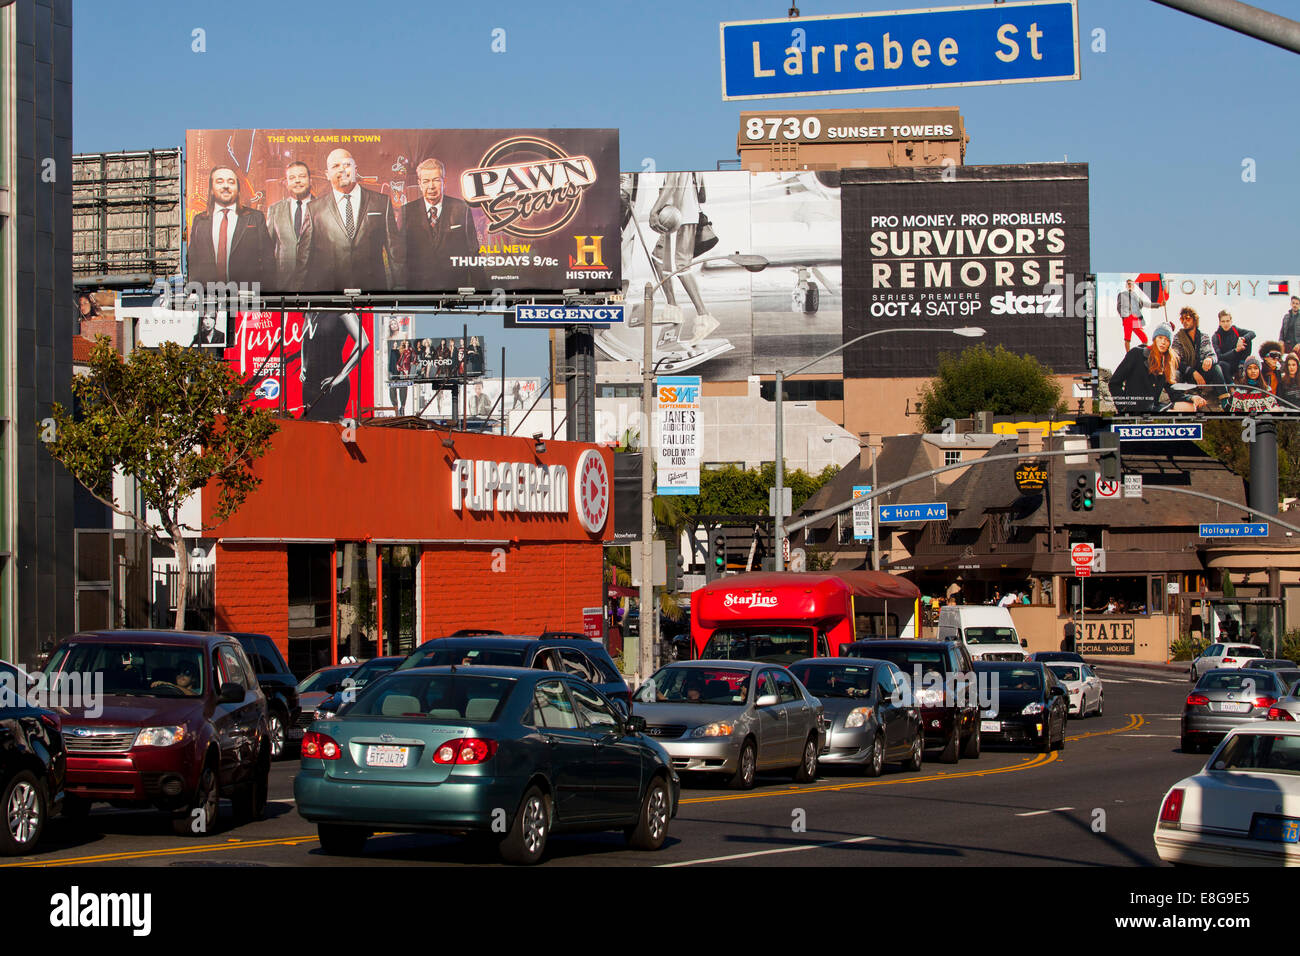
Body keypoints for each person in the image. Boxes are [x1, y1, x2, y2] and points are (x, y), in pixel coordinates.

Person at [294, 148, 404, 292]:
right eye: (335, 166)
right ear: (327, 174)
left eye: (346, 164)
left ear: (355, 169)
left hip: (373, 297)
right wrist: (299, 301)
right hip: (330, 300)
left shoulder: (381, 203)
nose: (341, 170)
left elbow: (395, 254)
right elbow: (304, 261)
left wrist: (401, 293)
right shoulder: (314, 209)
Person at [649, 171, 719, 347]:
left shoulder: (674, 152)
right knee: (657, 258)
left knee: (680, 266)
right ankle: (672, 308)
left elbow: (671, 184)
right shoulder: (693, 159)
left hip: (678, 217)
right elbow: (703, 196)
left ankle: (704, 317)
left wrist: (654, 210)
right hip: (683, 215)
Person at [401, 157, 483, 291]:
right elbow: (400, 255)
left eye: (436, 180)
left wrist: (481, 292)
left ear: (444, 182)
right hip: (417, 292)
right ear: (420, 184)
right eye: (426, 181)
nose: (431, 186)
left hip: (454, 291)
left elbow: (473, 252)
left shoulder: (461, 208)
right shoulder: (406, 212)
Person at [187, 166, 271, 289]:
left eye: (231, 182)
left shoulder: (255, 218)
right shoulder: (200, 220)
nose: (226, 186)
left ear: (238, 189)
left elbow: (268, 258)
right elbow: (193, 260)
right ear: (211, 189)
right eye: (220, 181)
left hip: (247, 296)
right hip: (209, 297)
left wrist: (265, 291)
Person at [1109, 324, 1207, 413]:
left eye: (1167, 340)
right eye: (1160, 338)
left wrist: (1192, 397)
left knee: (1190, 407)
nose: (1163, 342)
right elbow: (1114, 383)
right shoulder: (1136, 353)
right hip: (1135, 408)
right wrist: (1123, 407)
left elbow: (1173, 392)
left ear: (1169, 344)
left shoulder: (1166, 363)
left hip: (1153, 407)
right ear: (1155, 339)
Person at [300, 311, 369, 421]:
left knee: (332, 430)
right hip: (309, 385)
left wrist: (341, 375)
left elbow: (363, 342)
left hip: (330, 383)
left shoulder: (341, 310)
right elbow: (305, 338)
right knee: (310, 430)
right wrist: (303, 364)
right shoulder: (310, 310)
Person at [265, 160, 315, 292]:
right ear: (286, 183)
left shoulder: (323, 208)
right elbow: (267, 250)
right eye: (292, 178)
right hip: (282, 287)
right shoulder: (274, 210)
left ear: (310, 180)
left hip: (315, 288)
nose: (297, 181)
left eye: (302, 176)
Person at [1172, 308, 1231, 410]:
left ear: (1195, 320)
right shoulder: (1178, 338)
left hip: (1202, 373)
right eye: (1182, 319)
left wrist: (1209, 359)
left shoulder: (1204, 337)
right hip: (1186, 374)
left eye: (1188, 319)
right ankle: (1179, 402)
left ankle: (1225, 403)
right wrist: (1193, 372)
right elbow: (1176, 360)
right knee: (1175, 373)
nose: (1184, 321)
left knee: (1216, 367)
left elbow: (1213, 355)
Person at [1211, 309, 1255, 387]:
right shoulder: (1216, 336)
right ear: (1219, 322)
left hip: (1240, 362)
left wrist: (1242, 339)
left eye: (1227, 321)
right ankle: (1231, 386)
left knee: (1247, 338)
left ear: (1231, 321)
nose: (1226, 324)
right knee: (1221, 364)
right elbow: (1219, 356)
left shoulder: (1235, 330)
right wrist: (1236, 350)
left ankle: (1242, 368)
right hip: (1227, 364)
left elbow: (1252, 333)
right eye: (1223, 321)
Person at [1116, 277, 1156, 351]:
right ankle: (1128, 355)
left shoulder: (1136, 296)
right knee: (1127, 339)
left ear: (1133, 286)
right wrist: (1124, 316)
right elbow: (1118, 306)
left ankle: (1143, 352)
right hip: (1127, 318)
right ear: (1126, 285)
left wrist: (1158, 305)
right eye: (1128, 284)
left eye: (1131, 284)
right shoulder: (1122, 294)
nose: (1130, 285)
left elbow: (1145, 304)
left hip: (1135, 318)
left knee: (1144, 338)